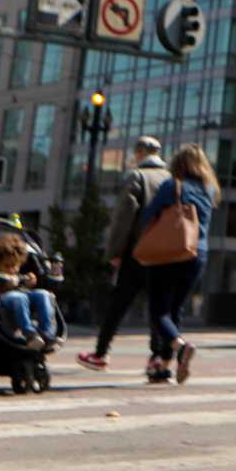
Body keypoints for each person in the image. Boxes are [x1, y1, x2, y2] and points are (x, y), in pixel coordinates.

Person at [77, 136, 170, 372]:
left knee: (118, 304)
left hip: (137, 252)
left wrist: (115, 251)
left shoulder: (137, 176)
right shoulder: (171, 179)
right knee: (158, 307)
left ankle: (101, 353)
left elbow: (123, 218)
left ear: (139, 153)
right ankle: (157, 357)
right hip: (165, 254)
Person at [138, 143, 215, 385]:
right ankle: (163, 363)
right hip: (197, 254)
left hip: (169, 252)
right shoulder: (209, 189)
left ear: (177, 164)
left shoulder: (172, 185)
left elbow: (148, 215)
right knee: (175, 310)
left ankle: (180, 347)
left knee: (158, 311)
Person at [0, 236, 60, 351]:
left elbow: (25, 288)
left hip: (22, 297)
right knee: (19, 297)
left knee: (43, 294)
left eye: (15, 266)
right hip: (5, 300)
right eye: (7, 266)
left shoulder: (19, 275)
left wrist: (29, 283)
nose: (12, 270)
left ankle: (47, 333)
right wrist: (5, 286)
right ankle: (29, 333)